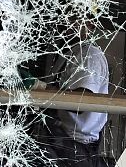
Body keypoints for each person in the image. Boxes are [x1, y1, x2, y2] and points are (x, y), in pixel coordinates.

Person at [41, 23, 110, 167]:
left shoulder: (90, 55)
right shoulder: (71, 51)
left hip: (75, 144)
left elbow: (80, 102)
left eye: (75, 19)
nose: (66, 24)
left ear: (91, 26)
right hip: (61, 137)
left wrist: (43, 89)